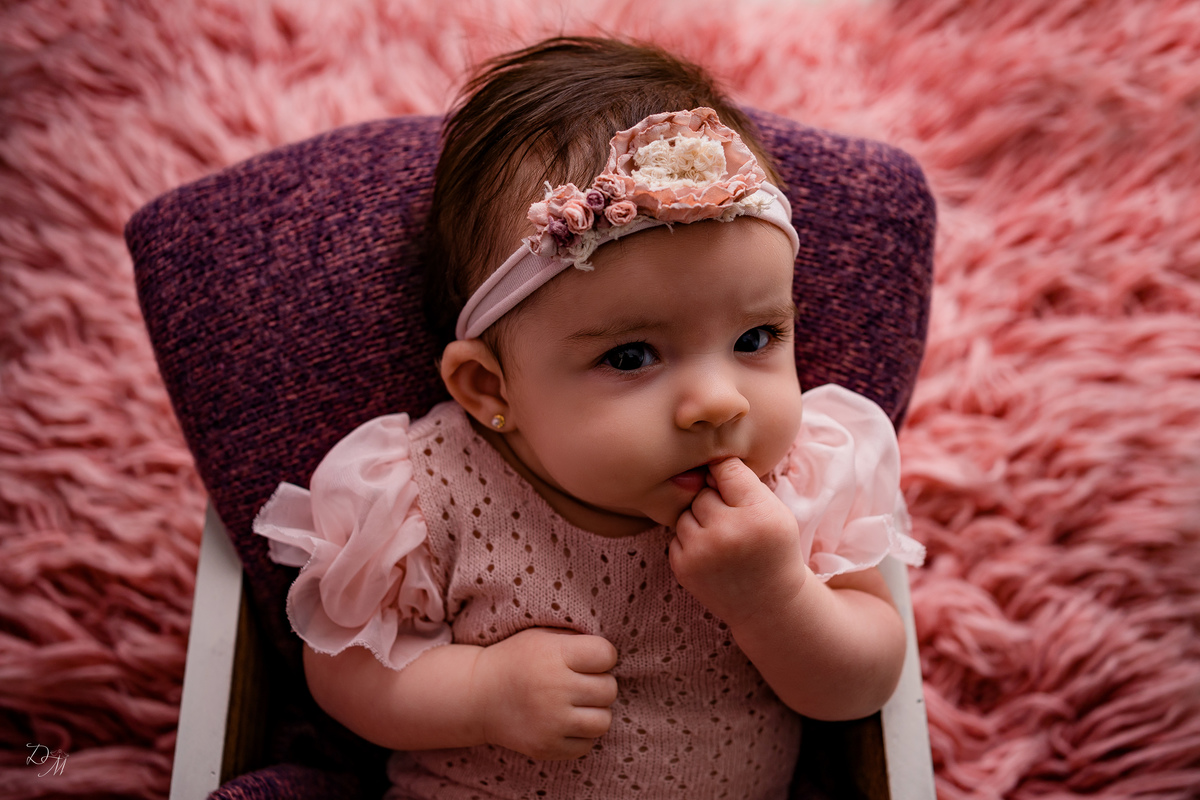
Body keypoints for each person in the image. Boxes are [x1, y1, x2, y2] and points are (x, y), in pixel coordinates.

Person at [253, 36, 925, 800]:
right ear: (490, 390)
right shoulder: (433, 495)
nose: (720, 402)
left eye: (754, 340)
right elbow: (340, 663)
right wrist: (480, 692)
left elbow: (864, 683)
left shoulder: (795, 487)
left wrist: (775, 598)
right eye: (632, 356)